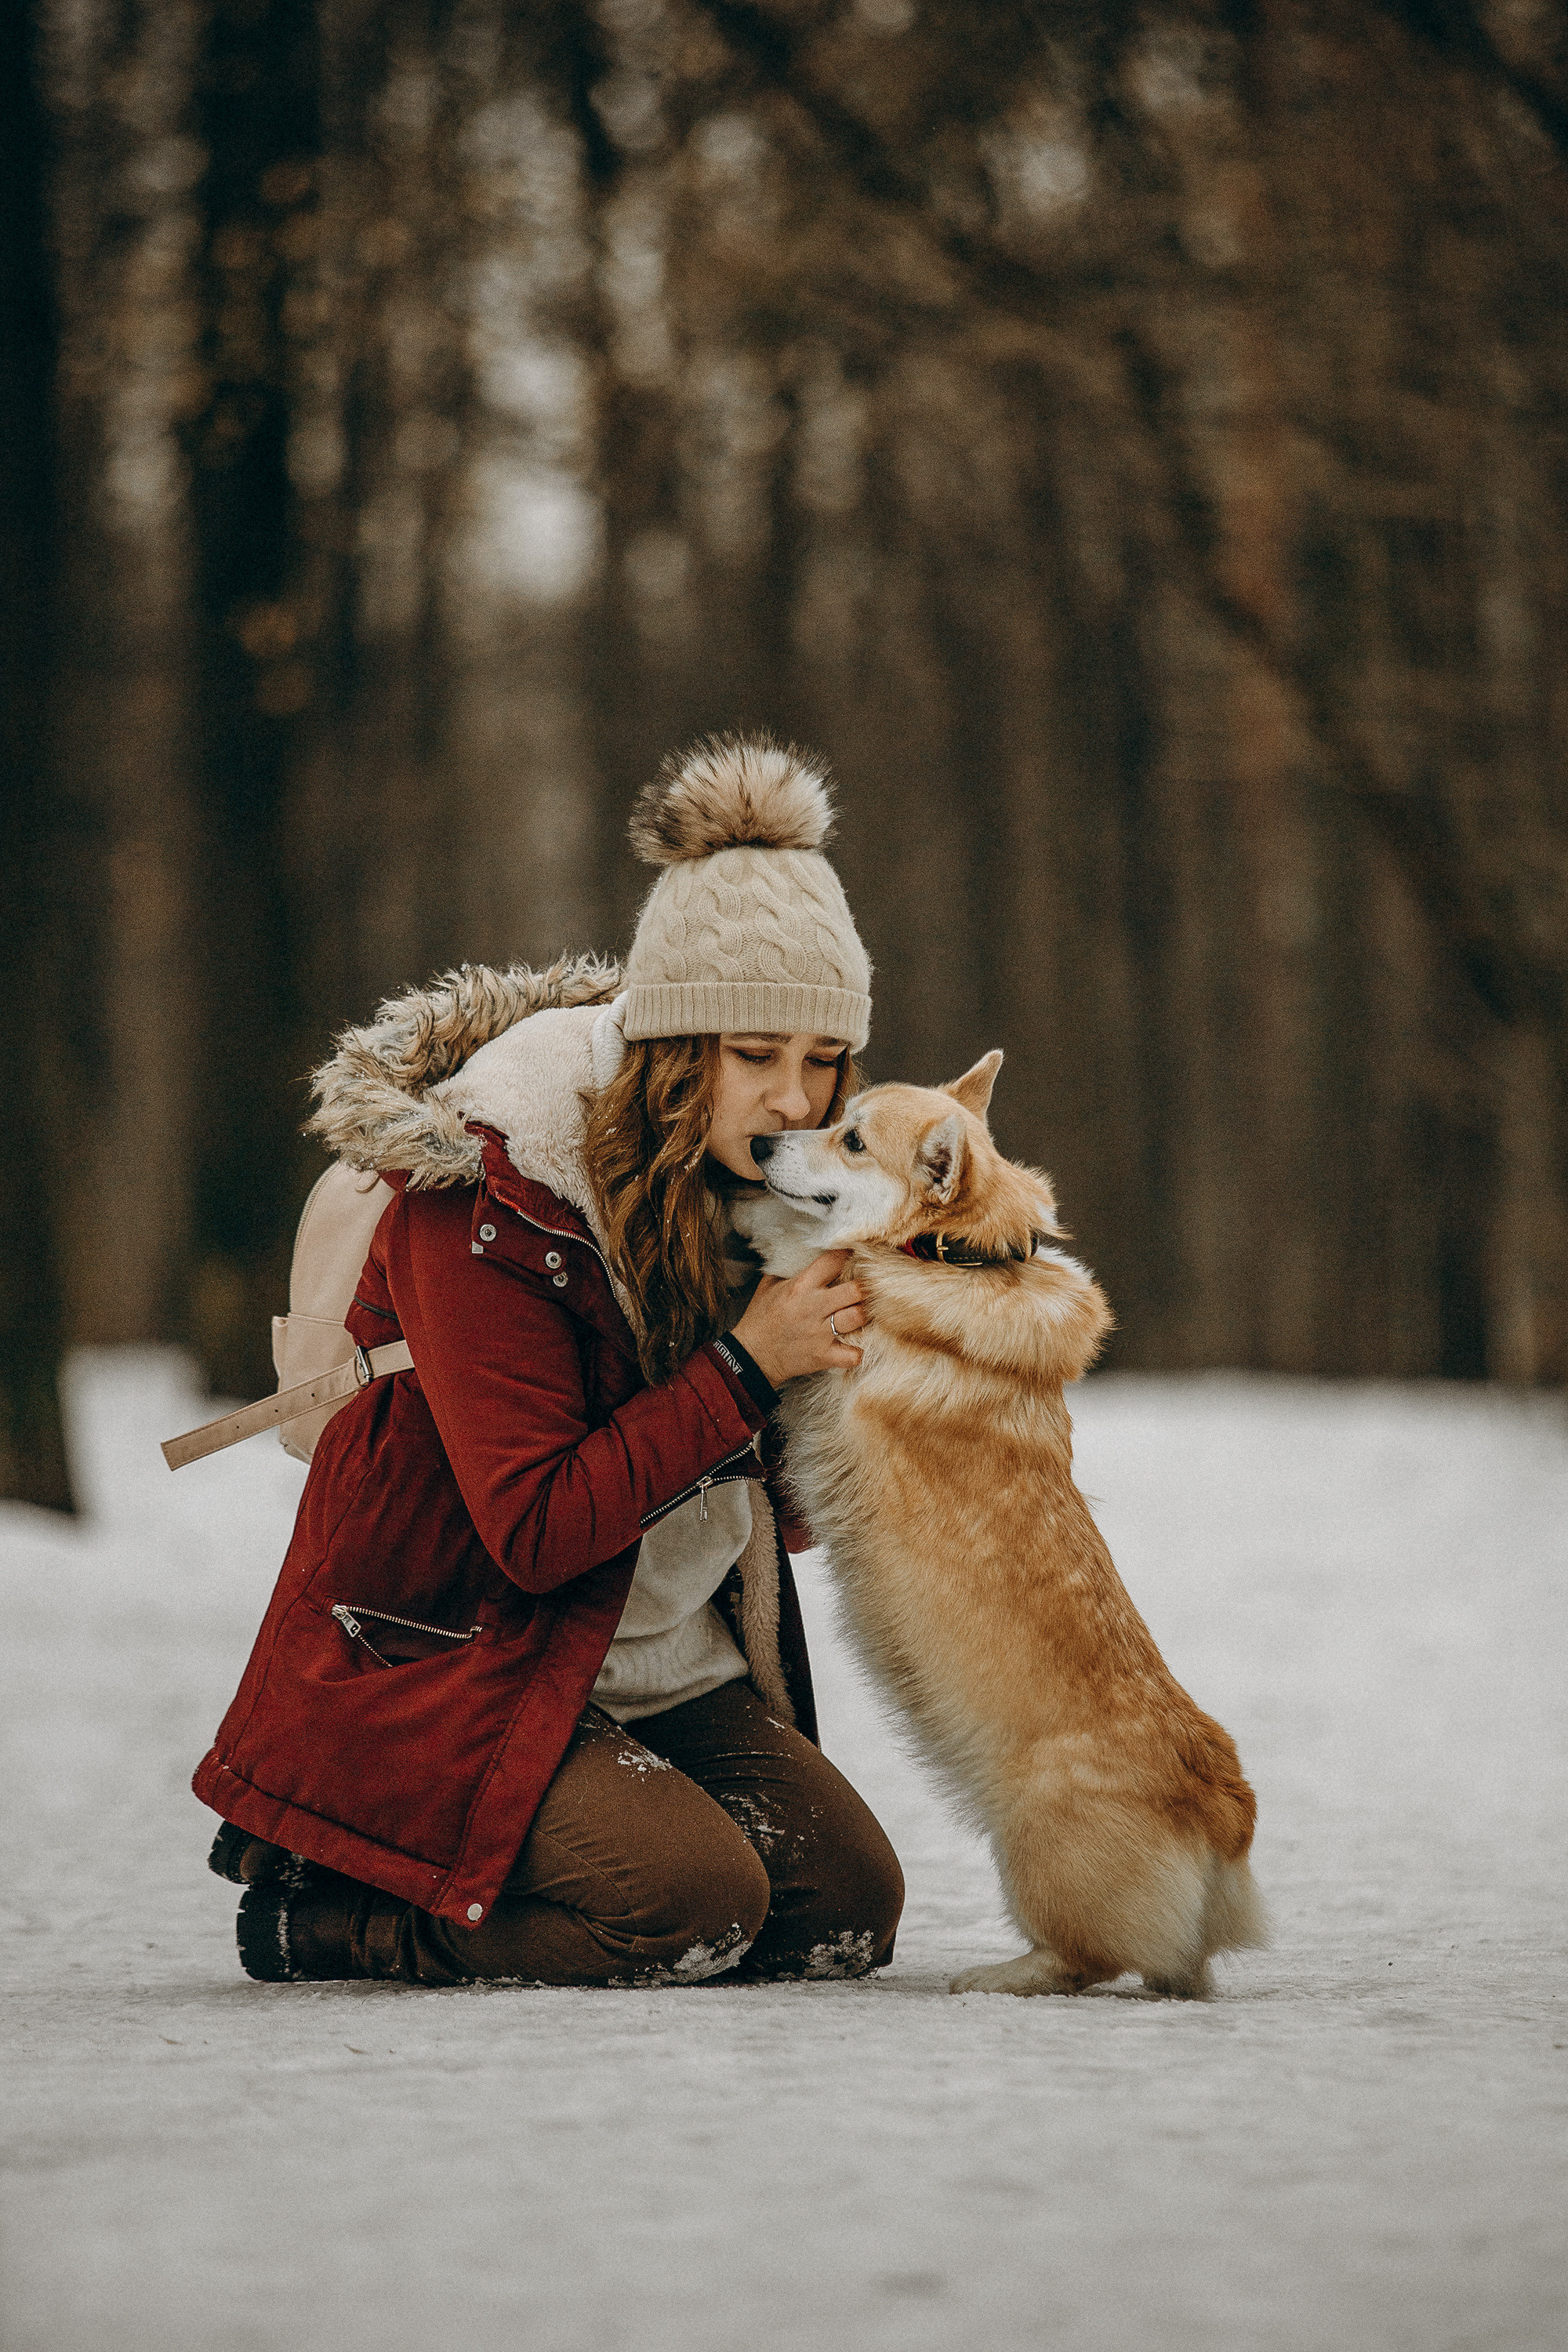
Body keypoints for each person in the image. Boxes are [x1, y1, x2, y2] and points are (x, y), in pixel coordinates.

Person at [195, 734, 905, 1986]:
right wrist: (748, 1366)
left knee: (845, 1908)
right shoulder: (490, 1195)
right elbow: (532, 1530)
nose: (798, 1101)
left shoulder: (754, 1190)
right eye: (756, 1055)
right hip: (459, 1658)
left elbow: (781, 1516)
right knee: (692, 1909)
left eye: (822, 1059)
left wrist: (848, 1386)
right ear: (676, 1046)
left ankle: (574, 1838)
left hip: (656, 1655)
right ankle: (333, 1916)